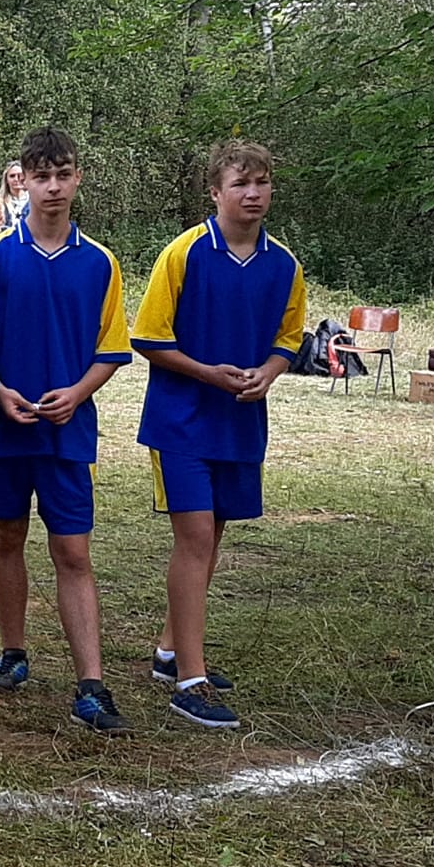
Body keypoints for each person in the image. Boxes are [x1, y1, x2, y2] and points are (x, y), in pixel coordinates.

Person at [131, 141, 305, 728]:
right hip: (180, 420)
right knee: (196, 537)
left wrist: (269, 373)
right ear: (215, 192)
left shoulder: (285, 264)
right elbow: (148, 337)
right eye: (240, 184)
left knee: (214, 534)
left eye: (262, 182)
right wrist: (208, 373)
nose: (253, 193)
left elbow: (289, 338)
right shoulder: (183, 253)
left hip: (239, 422)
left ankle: (170, 651)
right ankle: (191, 680)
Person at [0, 127, 134, 735]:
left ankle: (91, 685)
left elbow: (111, 348)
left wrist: (78, 393)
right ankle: (13, 652)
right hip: (2, 426)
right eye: (42, 176)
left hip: (68, 432)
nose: (54, 187)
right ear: (24, 182)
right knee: (7, 534)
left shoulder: (100, 261)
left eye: (63, 175)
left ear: (78, 178)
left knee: (73, 550)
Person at [0, 161, 27, 227]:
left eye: (20, 175)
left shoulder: (34, 199)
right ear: (6, 180)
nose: (16, 179)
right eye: (12, 176)